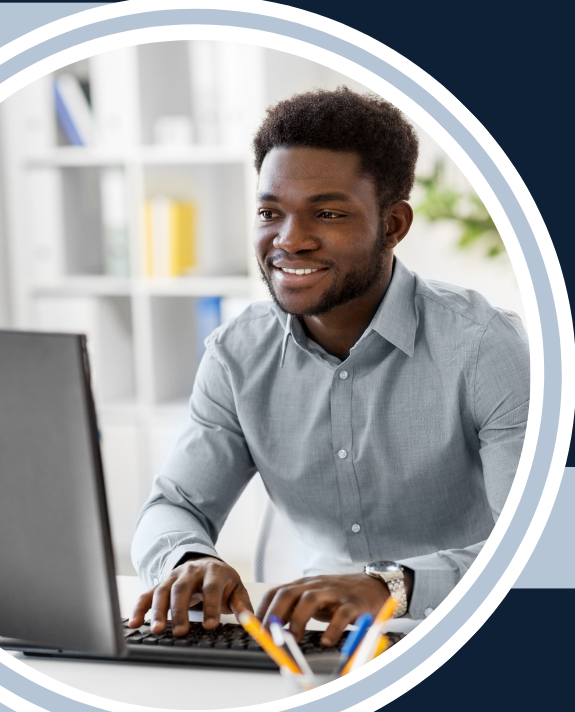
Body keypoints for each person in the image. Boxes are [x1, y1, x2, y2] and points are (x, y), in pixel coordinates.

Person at [128, 87, 530, 647]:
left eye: (328, 213)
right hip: (304, 644)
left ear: (393, 225)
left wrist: (391, 587)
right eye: (271, 212)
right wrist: (188, 560)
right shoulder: (236, 353)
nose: (289, 241)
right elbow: (175, 506)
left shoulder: (486, 345)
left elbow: (547, 545)